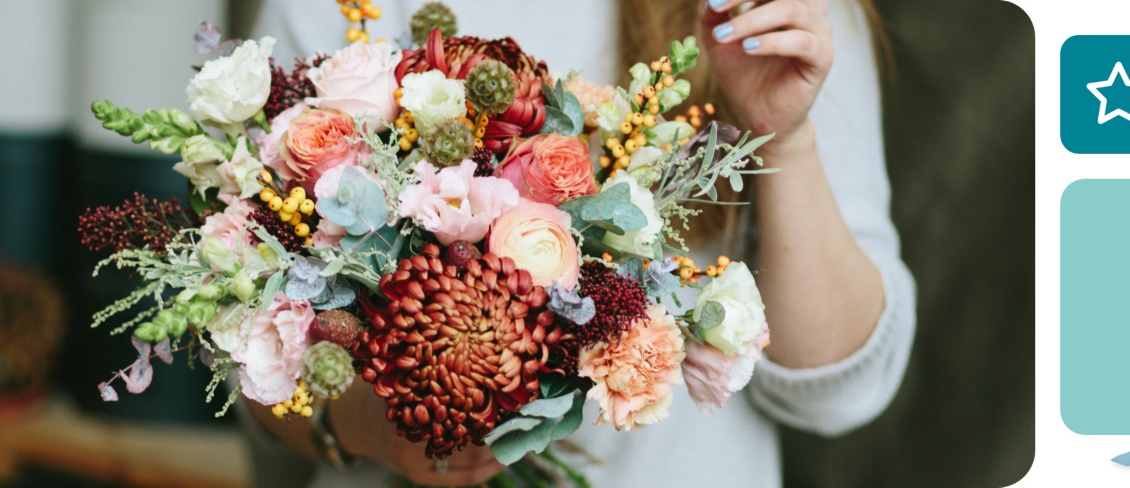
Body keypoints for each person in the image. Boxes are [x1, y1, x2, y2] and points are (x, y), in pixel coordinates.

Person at [246, 1, 915, 486]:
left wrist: (786, 138)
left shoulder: (777, 15)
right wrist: (372, 430)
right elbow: (245, 343)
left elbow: (837, 395)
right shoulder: (335, 9)